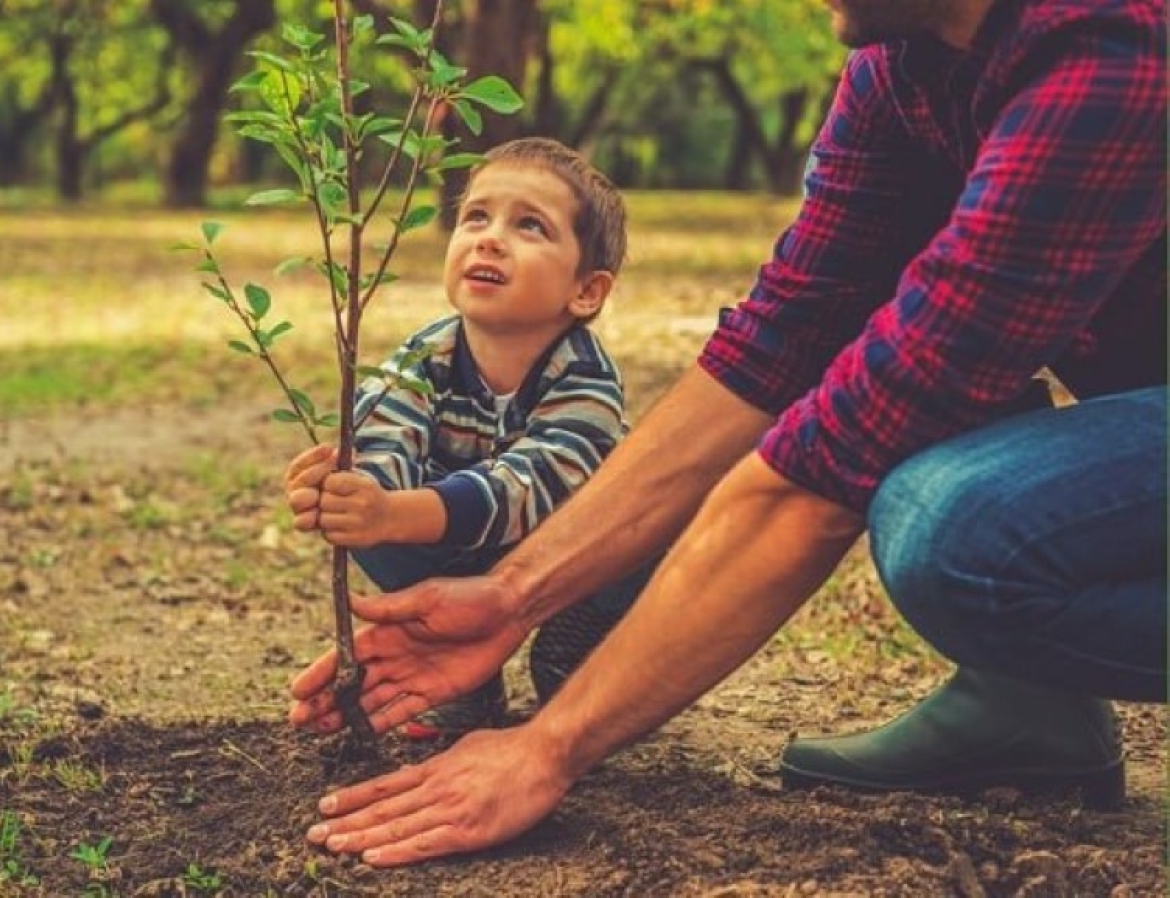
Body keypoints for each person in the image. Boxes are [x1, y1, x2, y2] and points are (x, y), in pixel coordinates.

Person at [284, 0, 1167, 867]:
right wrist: (512, 595)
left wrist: (548, 745)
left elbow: (826, 469)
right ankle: (1031, 709)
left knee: (951, 528)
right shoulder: (900, 68)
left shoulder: (1110, 45)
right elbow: (781, 341)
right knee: (924, 373)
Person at [284, 137, 655, 739]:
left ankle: (583, 646)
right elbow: (384, 434)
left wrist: (400, 511)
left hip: (572, 554)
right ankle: (467, 679)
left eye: (530, 226)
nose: (489, 237)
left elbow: (531, 488)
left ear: (586, 290)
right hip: (463, 543)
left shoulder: (585, 377)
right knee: (374, 526)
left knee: (645, 535)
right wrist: (352, 493)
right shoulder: (426, 354)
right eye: (475, 217)